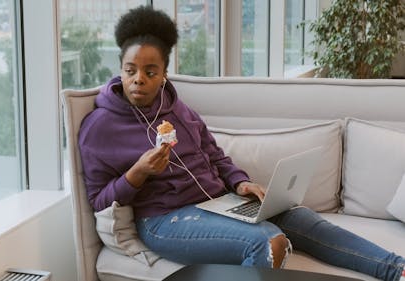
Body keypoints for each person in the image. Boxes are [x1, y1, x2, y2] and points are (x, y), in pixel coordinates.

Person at [78, 5, 405, 281]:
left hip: (220, 203)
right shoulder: (99, 128)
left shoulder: (179, 108)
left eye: (150, 72)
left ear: (164, 73)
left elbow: (214, 154)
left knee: (302, 219)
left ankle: (397, 270)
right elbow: (98, 199)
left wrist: (240, 182)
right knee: (267, 242)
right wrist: (137, 173)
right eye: (130, 70)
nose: (139, 79)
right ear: (120, 69)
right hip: (164, 220)